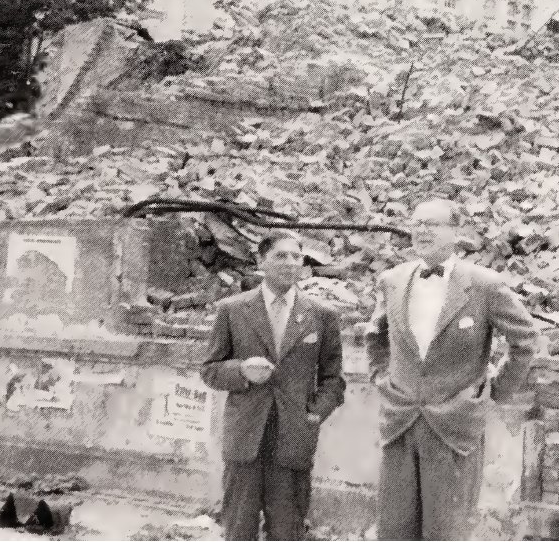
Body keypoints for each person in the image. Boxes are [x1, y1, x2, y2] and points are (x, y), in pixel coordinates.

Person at [366, 198, 540, 540]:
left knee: (447, 529)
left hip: (454, 424)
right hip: (399, 419)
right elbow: (375, 334)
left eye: (432, 223)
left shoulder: (485, 285)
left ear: (456, 232)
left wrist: (495, 392)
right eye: (416, 223)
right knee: (394, 527)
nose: (422, 230)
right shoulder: (392, 280)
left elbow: (525, 340)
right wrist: (381, 378)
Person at [201, 229, 346, 541]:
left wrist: (315, 415)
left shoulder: (323, 315)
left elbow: (333, 379)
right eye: (281, 255)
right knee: (239, 528)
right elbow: (210, 370)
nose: (290, 263)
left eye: (296, 256)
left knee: (288, 529)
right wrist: (241, 370)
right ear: (260, 261)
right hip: (246, 437)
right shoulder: (232, 309)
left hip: (294, 437)